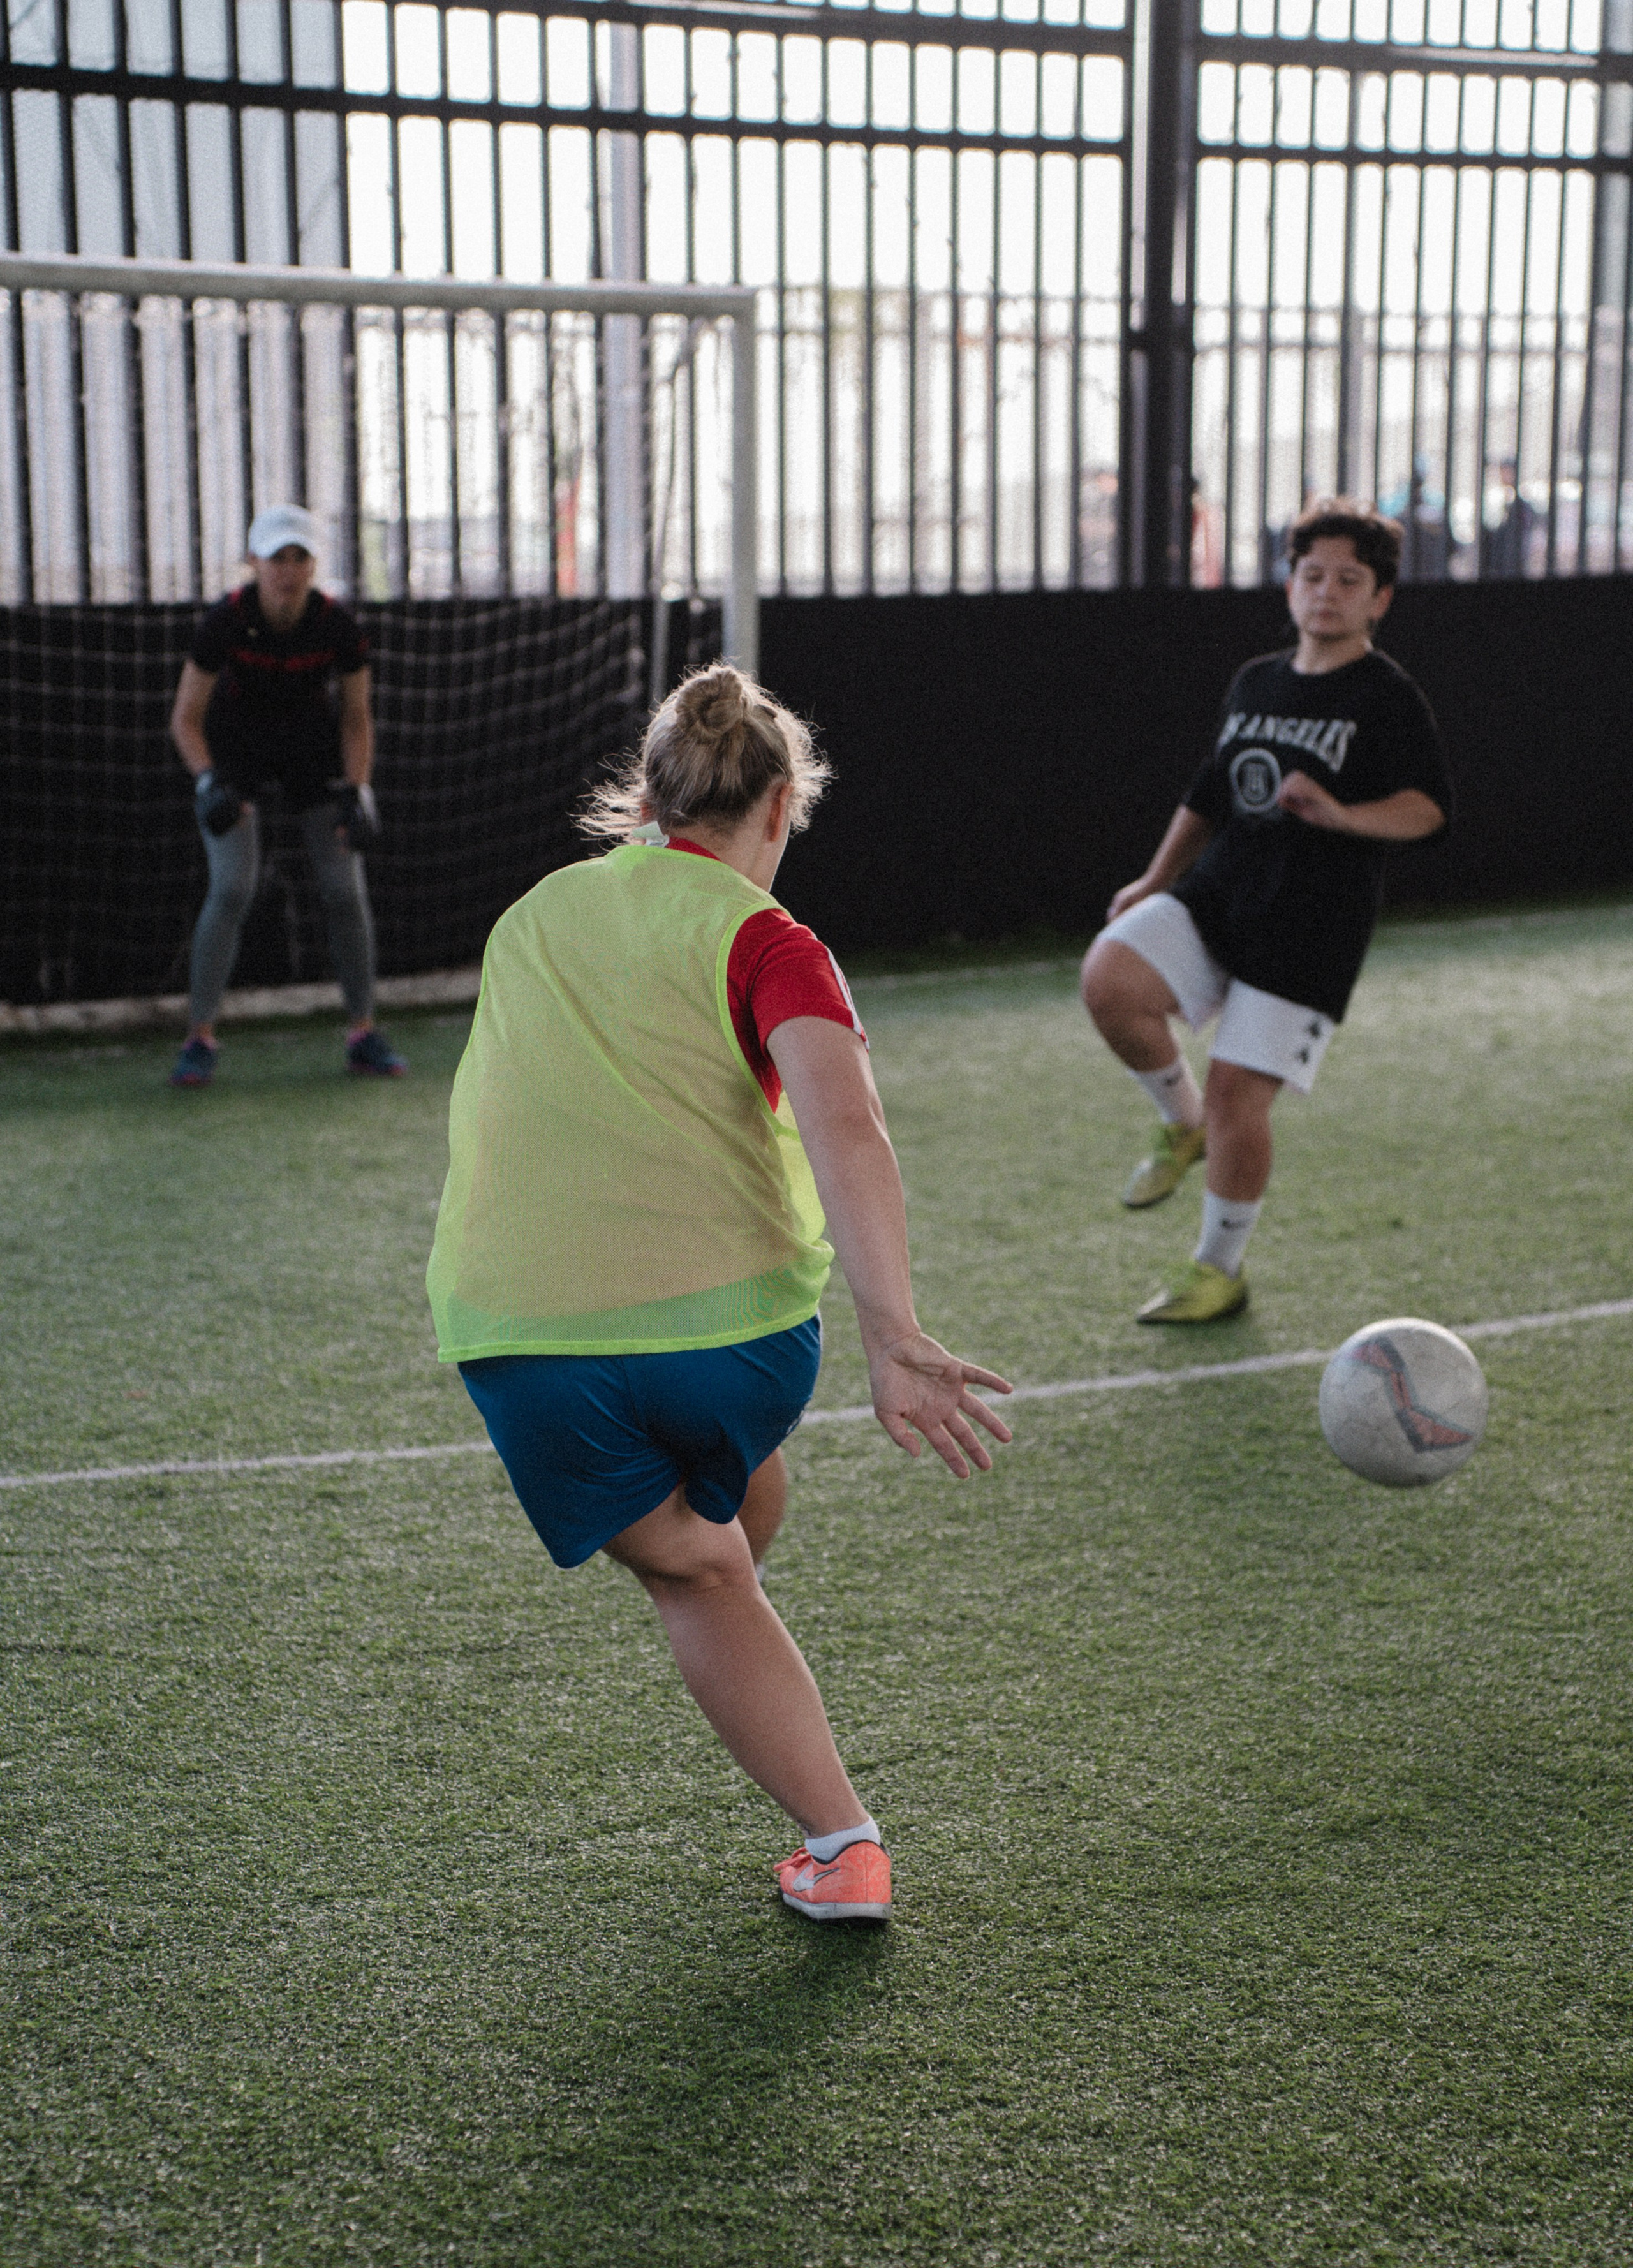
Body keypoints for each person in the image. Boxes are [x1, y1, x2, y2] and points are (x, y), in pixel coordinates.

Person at [427, 665, 1012, 1922]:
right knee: (722, 1511)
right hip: (743, 1344)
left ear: (644, 798)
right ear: (782, 805)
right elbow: (848, 1126)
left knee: (699, 1567)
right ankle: (810, 1781)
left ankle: (820, 1800)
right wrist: (893, 1331)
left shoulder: (533, 914)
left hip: (532, 1337)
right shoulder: (771, 941)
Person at [1079, 497, 1452, 1324]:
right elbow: (1208, 793)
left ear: (1380, 598)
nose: (1327, 592)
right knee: (1110, 976)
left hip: (1313, 928)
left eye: (1349, 580)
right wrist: (1153, 880)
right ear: (1290, 585)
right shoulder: (1256, 679)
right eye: (1312, 575)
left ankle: (1218, 1270)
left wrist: (1343, 814)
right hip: (1221, 893)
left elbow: (1428, 809)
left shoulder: (1387, 697)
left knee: (1237, 1094)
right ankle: (1180, 1125)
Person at [166, 504, 406, 1088]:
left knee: (344, 891)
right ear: (254, 561)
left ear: (314, 565)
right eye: (278, 558)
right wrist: (207, 780)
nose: (289, 570)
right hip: (236, 757)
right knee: (232, 888)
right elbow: (185, 720)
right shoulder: (224, 621)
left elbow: (356, 717)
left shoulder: (337, 626)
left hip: (312, 758)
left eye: (300, 558)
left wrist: (359, 790)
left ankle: (363, 1032)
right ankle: (199, 1038)